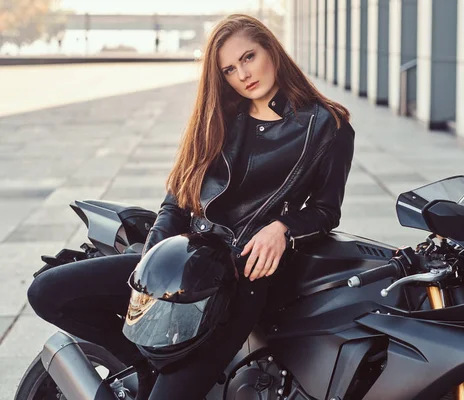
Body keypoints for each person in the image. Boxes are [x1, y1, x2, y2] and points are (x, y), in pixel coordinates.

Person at [27, 14, 354, 399]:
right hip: (180, 258)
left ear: (271, 49)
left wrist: (282, 229)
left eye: (248, 57)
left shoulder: (327, 125)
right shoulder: (218, 116)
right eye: (230, 70)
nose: (243, 75)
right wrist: (151, 263)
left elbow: (325, 209)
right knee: (46, 291)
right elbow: (177, 198)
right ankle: (140, 362)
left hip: (240, 278)